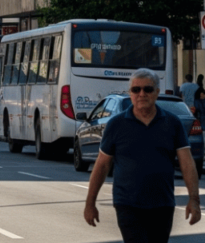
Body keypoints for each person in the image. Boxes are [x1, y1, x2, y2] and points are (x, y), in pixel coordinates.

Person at [84, 69, 201, 241]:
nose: (141, 94)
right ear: (130, 93)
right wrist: (90, 203)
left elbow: (187, 163)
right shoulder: (116, 125)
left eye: (147, 89)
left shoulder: (172, 123)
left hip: (162, 203)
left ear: (157, 93)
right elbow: (102, 165)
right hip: (127, 203)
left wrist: (194, 199)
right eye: (135, 90)